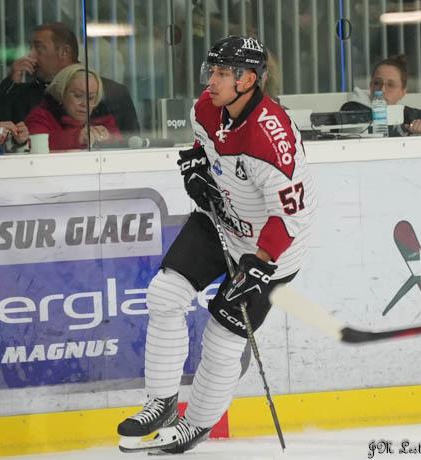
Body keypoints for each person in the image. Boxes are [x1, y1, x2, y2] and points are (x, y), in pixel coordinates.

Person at [117, 36, 315, 454]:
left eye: (223, 73)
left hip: (271, 249)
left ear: (249, 80)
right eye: (212, 70)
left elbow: (291, 217)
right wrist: (196, 167)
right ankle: (161, 403)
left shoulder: (271, 138)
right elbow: (204, 147)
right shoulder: (206, 108)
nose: (212, 80)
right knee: (164, 295)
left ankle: (194, 424)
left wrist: (260, 263)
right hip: (220, 221)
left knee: (223, 335)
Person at [0, 22, 139, 136]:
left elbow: (131, 143)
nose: (30, 55)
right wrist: (10, 82)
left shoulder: (111, 93)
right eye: (30, 48)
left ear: (64, 52)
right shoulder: (22, 94)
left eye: (39, 48)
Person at [341, 55, 421, 136]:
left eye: (390, 85)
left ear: (403, 92)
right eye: (377, 83)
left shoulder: (404, 113)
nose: (382, 90)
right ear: (370, 86)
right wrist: (402, 129)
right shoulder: (353, 108)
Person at [24, 64, 122, 151]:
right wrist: (76, 138)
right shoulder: (41, 117)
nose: (85, 104)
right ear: (61, 93)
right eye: (78, 95)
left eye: (91, 98)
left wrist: (109, 138)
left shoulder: (103, 118)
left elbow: (121, 142)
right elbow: (34, 144)